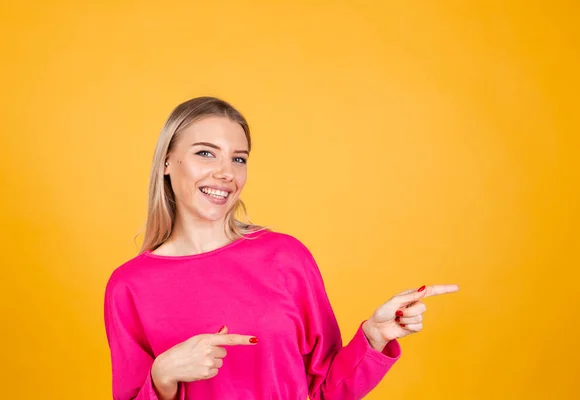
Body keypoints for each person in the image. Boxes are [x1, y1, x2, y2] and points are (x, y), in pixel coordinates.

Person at [103, 96, 459, 400]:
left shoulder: (284, 257)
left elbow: (327, 390)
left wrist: (374, 337)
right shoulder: (129, 286)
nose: (226, 172)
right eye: (206, 154)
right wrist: (162, 377)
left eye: (238, 159)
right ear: (167, 161)